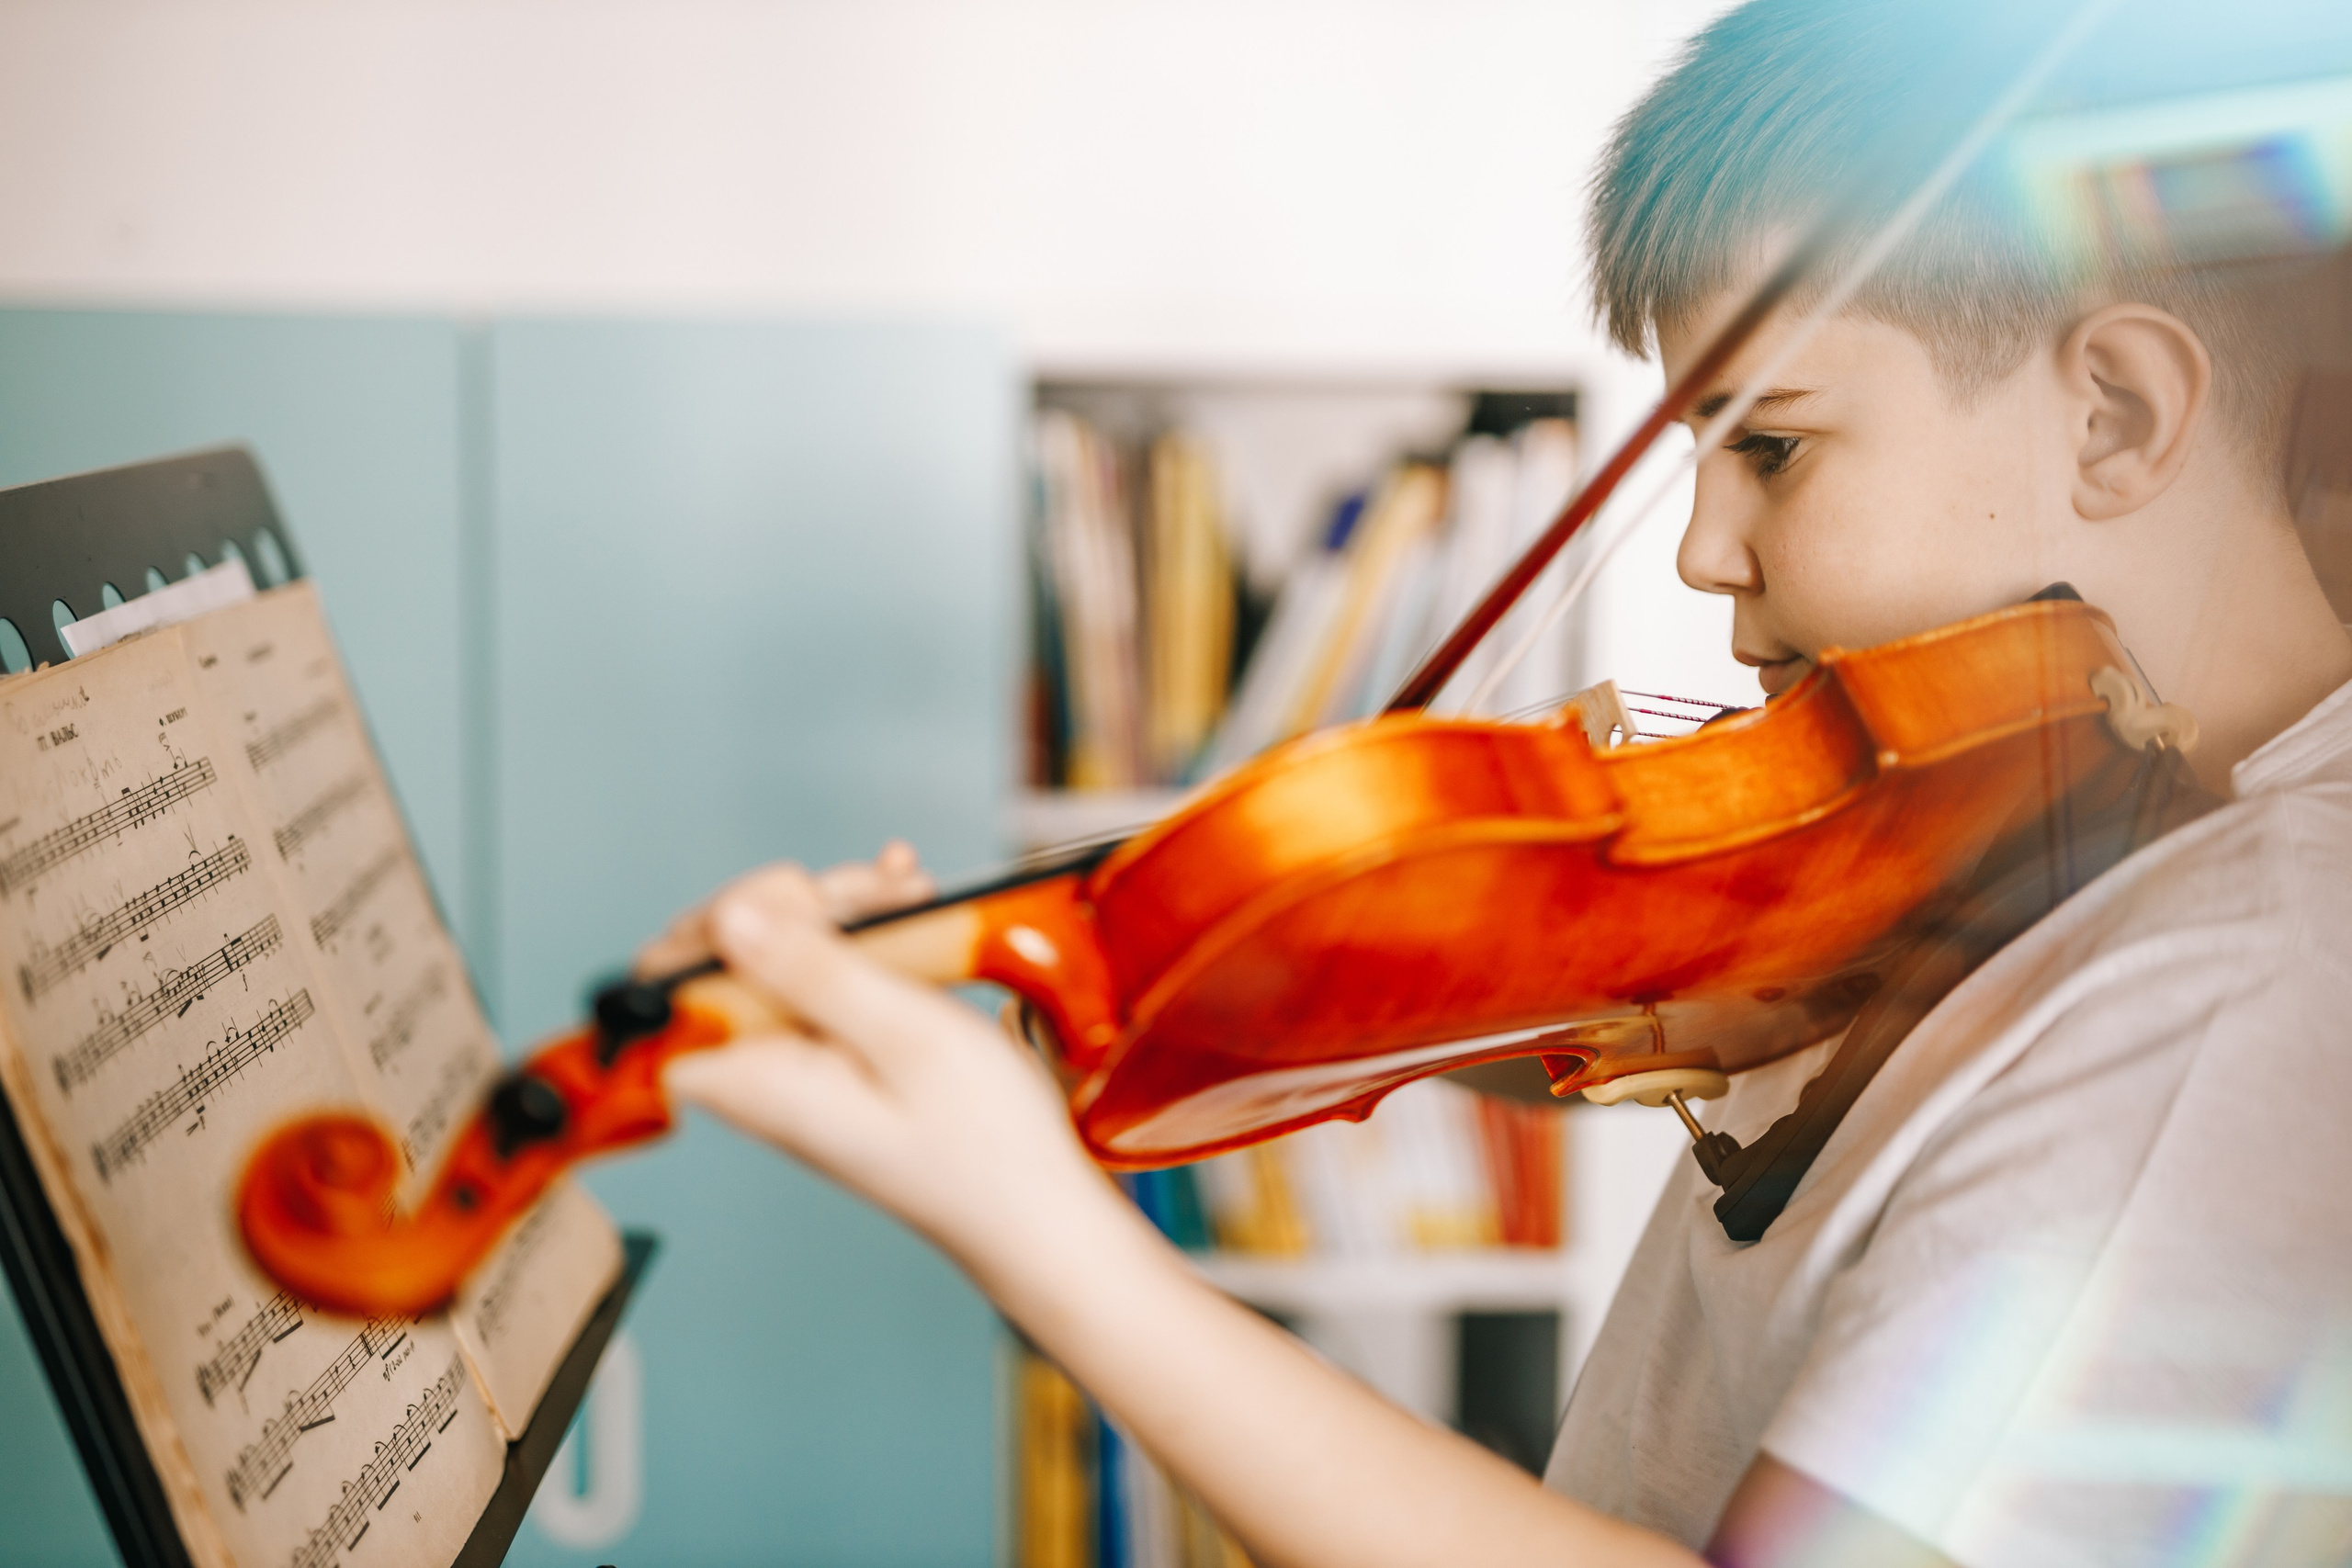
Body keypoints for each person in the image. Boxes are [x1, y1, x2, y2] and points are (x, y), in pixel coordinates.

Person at [643, 1, 2352, 1562]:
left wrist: (1052, 1244)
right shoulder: (2064, 807)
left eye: (1770, 445)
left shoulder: (2240, 982)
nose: (1698, 548)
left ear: (2116, 417)